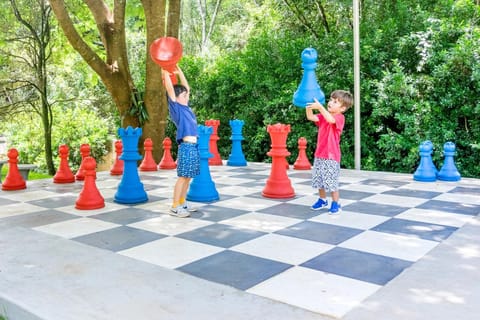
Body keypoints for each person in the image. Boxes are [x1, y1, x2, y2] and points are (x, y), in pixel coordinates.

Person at [305, 90, 353, 214]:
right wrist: (308, 105)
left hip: (331, 156)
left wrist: (320, 107)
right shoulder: (323, 116)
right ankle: (322, 200)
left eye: (335, 101)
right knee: (319, 180)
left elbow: (331, 120)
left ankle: (336, 203)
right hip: (320, 154)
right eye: (331, 100)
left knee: (331, 181)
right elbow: (310, 117)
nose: (331, 102)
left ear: (342, 108)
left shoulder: (339, 118)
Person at [162, 66, 200, 218]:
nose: (186, 96)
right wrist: (165, 72)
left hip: (194, 146)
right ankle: (175, 206)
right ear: (176, 98)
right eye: (183, 95)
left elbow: (188, 88)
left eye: (186, 95)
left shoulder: (186, 108)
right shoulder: (176, 108)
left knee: (188, 176)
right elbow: (170, 89)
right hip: (186, 147)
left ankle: (182, 202)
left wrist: (180, 72)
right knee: (183, 177)